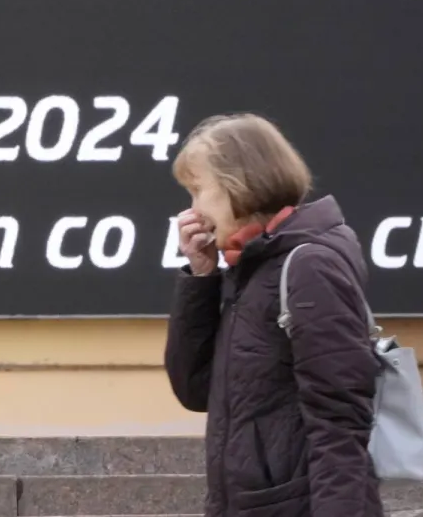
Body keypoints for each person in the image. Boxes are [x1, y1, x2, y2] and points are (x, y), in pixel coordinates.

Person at [164, 114, 383, 517]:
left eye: (199, 190)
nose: (192, 210)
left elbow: (340, 422)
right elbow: (195, 389)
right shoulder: (250, 266)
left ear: (240, 185)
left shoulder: (308, 265)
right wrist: (202, 276)